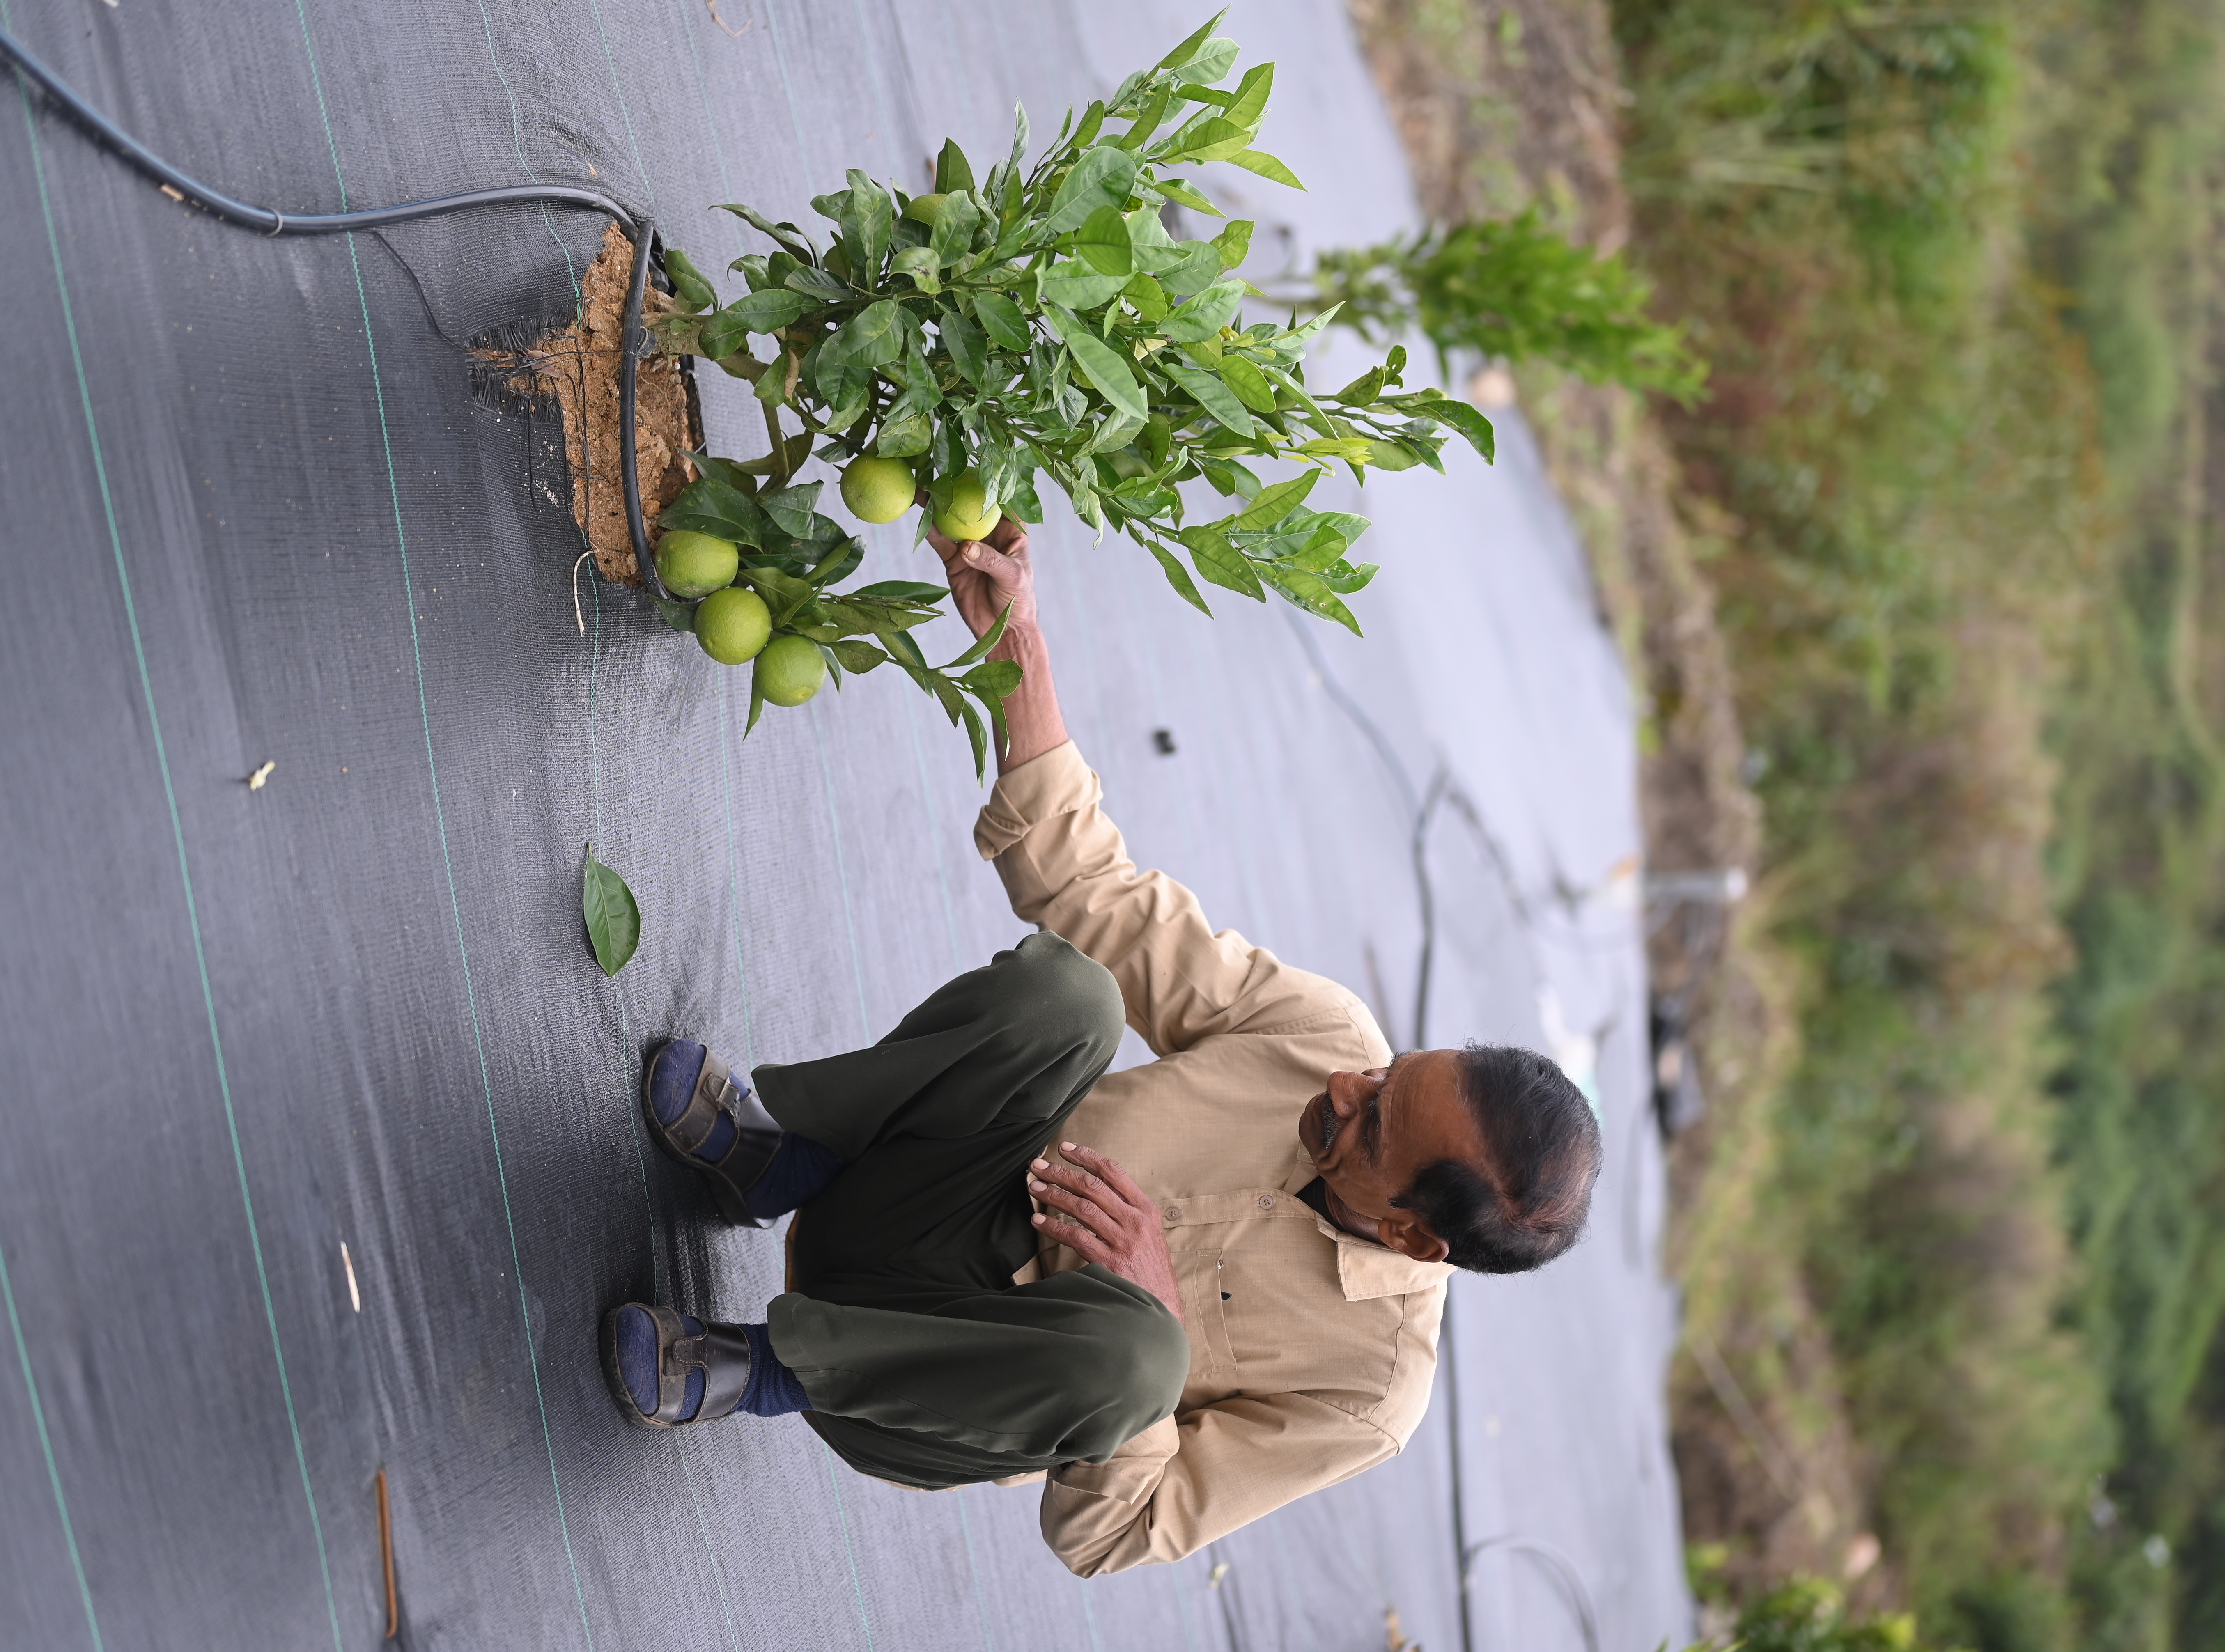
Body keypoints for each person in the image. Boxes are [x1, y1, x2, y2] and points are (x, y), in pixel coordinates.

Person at [598, 507, 1603, 1576]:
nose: (1351, 1082)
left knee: (1139, 1356)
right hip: (922, 1192)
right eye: (1392, 1069)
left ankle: (759, 1370)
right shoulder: (1327, 1039)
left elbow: (1112, 1534)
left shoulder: (1369, 1392)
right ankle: (784, 1165)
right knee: (1072, 997)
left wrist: (1153, 1320)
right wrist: (1016, 646)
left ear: (1414, 1237)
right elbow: (1100, 899)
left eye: (1376, 1123)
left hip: (919, 1385)